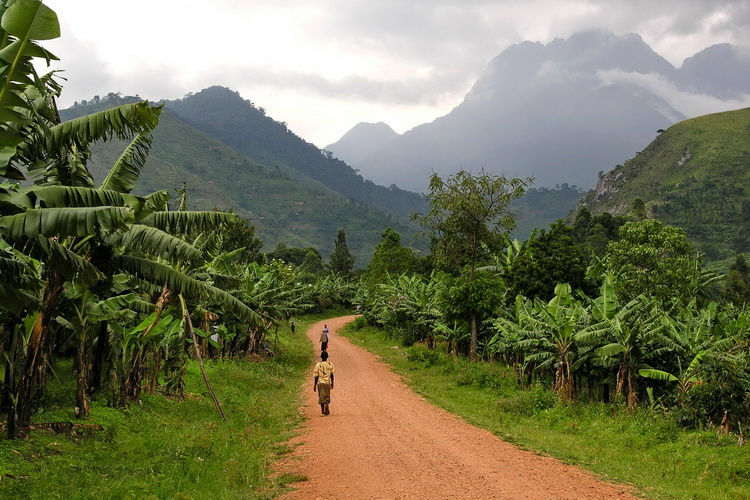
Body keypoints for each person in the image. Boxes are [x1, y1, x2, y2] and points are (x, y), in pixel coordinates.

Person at [313, 351, 334, 415]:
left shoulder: (318, 365)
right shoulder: (330, 364)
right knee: (327, 395)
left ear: (321, 357)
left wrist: (314, 385)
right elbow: (332, 374)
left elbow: (316, 376)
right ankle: (327, 403)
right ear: (327, 357)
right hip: (327, 382)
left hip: (320, 382)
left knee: (321, 396)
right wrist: (332, 383)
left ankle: (322, 412)